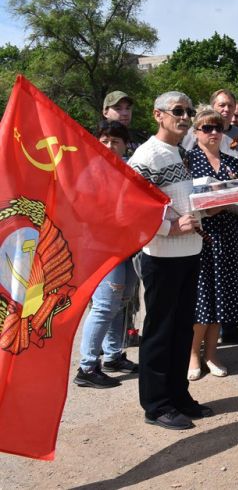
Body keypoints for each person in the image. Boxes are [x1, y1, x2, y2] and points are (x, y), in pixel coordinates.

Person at [128, 91, 208, 430]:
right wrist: (169, 227)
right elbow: (131, 211)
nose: (185, 116)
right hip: (162, 258)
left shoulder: (183, 152)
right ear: (158, 115)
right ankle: (157, 405)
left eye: (188, 111)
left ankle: (178, 395)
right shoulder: (145, 157)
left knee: (181, 330)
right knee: (160, 331)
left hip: (190, 253)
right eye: (178, 111)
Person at [74, 121, 140, 389]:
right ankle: (87, 366)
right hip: (101, 248)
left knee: (122, 301)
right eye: (105, 140)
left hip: (127, 246)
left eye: (116, 141)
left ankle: (113, 354)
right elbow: (83, 212)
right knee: (104, 305)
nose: (110, 146)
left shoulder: (130, 170)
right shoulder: (89, 173)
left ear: (125, 145)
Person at [186, 107, 238, 381]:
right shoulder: (187, 161)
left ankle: (212, 353)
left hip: (227, 235)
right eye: (207, 128)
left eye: (218, 128)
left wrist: (235, 201)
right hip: (200, 235)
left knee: (221, 298)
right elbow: (184, 200)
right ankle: (193, 354)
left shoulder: (233, 163)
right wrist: (207, 208)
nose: (213, 133)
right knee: (202, 300)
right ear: (196, 132)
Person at [103, 90, 147, 157]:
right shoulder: (95, 142)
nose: (125, 113)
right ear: (105, 113)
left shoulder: (142, 139)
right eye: (118, 109)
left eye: (128, 108)